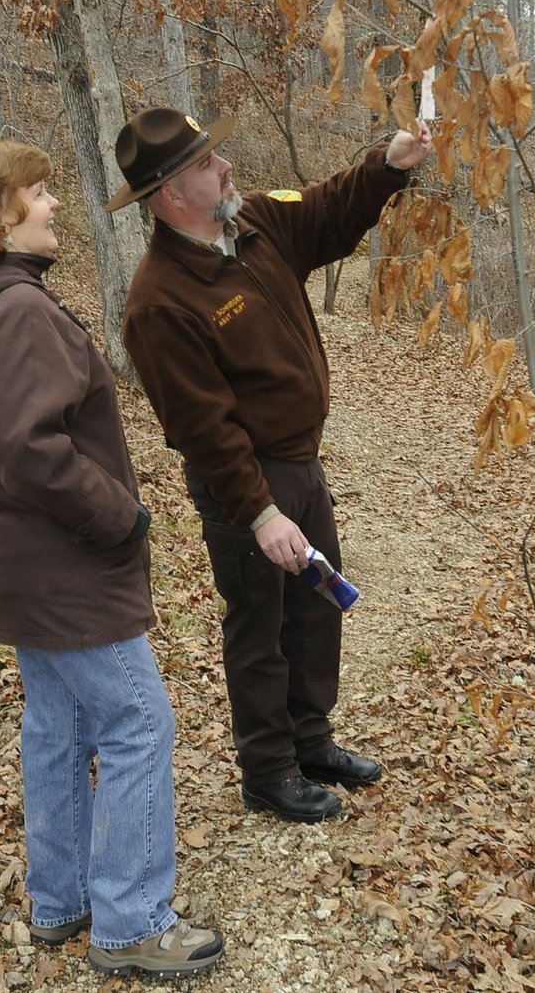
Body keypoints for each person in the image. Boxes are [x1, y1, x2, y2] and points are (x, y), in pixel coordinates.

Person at [0, 138, 223, 980]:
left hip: (21, 569)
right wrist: (122, 518)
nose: (54, 204)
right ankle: (130, 924)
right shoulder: (16, 311)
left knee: (56, 728)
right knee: (138, 722)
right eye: (39, 192)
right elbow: (31, 454)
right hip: (63, 570)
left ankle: (62, 903)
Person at [107, 107, 432, 825]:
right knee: (260, 624)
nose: (225, 167)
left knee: (317, 611)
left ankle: (311, 742)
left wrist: (390, 165)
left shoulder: (253, 221)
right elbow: (205, 430)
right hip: (247, 481)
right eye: (205, 164)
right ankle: (268, 769)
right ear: (169, 195)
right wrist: (259, 513)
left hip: (302, 464)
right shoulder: (158, 302)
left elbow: (324, 211)